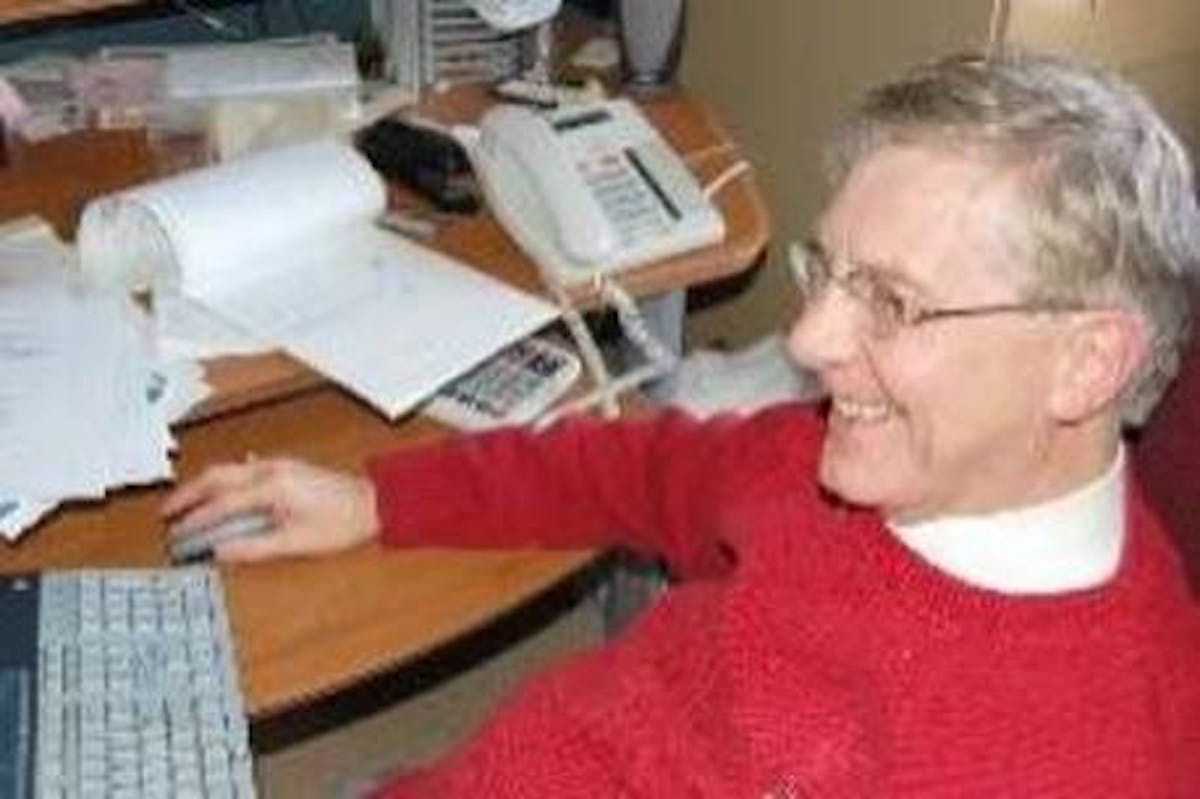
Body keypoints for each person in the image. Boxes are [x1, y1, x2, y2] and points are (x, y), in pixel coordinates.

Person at [164, 50, 1200, 796]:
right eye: (828, 271)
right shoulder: (854, 462)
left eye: (892, 300)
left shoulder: (1101, 758)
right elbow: (650, 471)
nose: (810, 340)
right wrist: (380, 498)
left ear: (1085, 363)